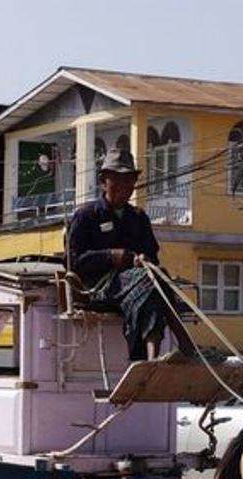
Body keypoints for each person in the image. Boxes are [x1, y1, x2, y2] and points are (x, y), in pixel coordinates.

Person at [65, 148, 197, 361]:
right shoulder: (86, 216)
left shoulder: (138, 217)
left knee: (154, 279)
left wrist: (144, 260)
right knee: (148, 281)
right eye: (117, 179)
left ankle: (152, 357)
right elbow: (74, 262)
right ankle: (184, 344)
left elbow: (153, 256)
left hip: (139, 287)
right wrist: (112, 256)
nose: (124, 186)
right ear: (103, 181)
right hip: (100, 290)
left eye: (129, 180)